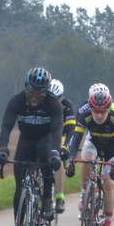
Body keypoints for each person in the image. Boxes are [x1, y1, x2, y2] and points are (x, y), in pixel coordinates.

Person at [0, 66, 63, 226]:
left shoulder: (53, 104)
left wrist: (55, 152)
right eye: (32, 91)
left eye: (40, 93)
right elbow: (6, 126)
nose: (35, 96)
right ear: (26, 88)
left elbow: (57, 130)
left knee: (45, 156)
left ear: (46, 92)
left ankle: (47, 198)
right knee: (20, 188)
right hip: (26, 140)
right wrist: (3, 149)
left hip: (45, 138)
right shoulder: (17, 101)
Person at [65, 83, 114, 226]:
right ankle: (85, 193)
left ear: (108, 110)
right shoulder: (84, 116)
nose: (98, 115)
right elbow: (76, 140)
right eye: (95, 112)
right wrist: (71, 159)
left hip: (112, 148)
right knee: (87, 159)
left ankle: (107, 223)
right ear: (90, 109)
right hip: (94, 143)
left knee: (109, 182)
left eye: (102, 112)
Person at [49, 78, 76, 216]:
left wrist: (65, 146)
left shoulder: (67, 105)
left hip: (62, 134)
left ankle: (59, 196)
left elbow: (71, 128)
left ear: (62, 97)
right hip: (47, 133)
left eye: (57, 98)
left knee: (58, 159)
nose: (54, 102)